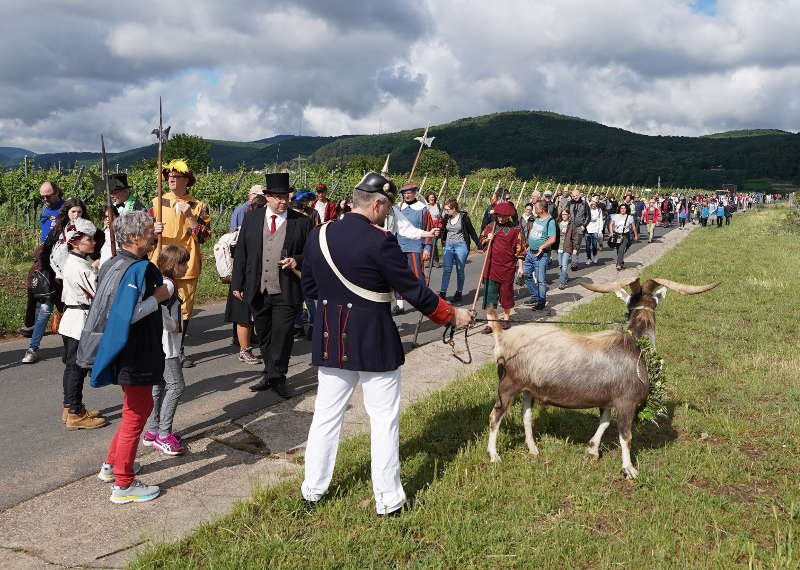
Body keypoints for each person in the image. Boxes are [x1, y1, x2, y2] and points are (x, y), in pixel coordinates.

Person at [299, 171, 472, 516]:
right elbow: (414, 290)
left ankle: (312, 491)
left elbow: (310, 288)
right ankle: (389, 500)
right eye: (387, 208)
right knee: (383, 420)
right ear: (377, 203)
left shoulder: (318, 234)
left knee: (326, 416)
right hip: (373, 338)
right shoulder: (381, 241)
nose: (387, 214)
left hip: (332, 337)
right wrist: (451, 315)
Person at [84, 210, 170, 504]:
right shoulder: (139, 269)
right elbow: (127, 315)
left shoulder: (112, 263)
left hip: (124, 349)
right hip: (137, 351)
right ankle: (124, 483)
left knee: (133, 410)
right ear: (134, 237)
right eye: (149, 231)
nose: (154, 235)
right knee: (137, 412)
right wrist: (158, 297)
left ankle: (112, 464)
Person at [231, 173, 314, 398]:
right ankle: (269, 373)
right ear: (267, 196)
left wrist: (297, 259)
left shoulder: (302, 222)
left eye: (286, 196)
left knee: (283, 334)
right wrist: (237, 283)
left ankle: (279, 376)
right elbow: (242, 253)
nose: (283, 201)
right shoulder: (252, 218)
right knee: (265, 334)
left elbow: (312, 253)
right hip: (258, 288)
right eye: (278, 197)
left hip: (287, 289)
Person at [150, 159, 212, 368]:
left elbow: (204, 237)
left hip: (187, 264)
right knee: (157, 306)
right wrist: (152, 230)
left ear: (187, 180)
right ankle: (156, 347)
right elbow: (144, 236)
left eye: (177, 177)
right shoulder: (157, 202)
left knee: (183, 310)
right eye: (169, 176)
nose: (171, 180)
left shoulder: (198, 205)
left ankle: (179, 350)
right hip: (160, 262)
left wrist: (190, 216)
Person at [58, 217, 108, 430]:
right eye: (89, 239)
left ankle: (70, 407)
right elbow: (98, 295)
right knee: (77, 368)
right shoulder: (81, 268)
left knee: (72, 367)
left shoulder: (73, 262)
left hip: (71, 319)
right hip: (79, 321)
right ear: (75, 242)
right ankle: (75, 413)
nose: (94, 242)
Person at [142, 245, 189, 456]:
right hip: (166, 346)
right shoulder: (168, 285)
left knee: (159, 387)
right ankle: (163, 434)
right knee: (177, 386)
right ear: (173, 265)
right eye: (183, 263)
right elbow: (156, 308)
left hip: (158, 345)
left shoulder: (164, 282)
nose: (186, 266)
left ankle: (152, 431)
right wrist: (173, 325)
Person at [18, 181, 65, 339]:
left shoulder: (67, 208)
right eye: (42, 197)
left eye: (48, 196)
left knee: (58, 287)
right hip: (45, 250)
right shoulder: (44, 209)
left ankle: (67, 321)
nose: (44, 199)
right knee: (34, 283)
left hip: (60, 252)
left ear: (57, 192)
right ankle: (31, 324)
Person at [225, 195, 265, 364]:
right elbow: (240, 257)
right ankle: (244, 350)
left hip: (257, 277)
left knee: (252, 317)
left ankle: (251, 346)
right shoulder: (247, 227)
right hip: (245, 278)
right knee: (244, 317)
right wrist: (238, 283)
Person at [479, 202, 524, 331]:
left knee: (506, 296)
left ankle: (505, 320)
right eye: (499, 216)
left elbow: (520, 250)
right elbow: (481, 242)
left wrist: (520, 267)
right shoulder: (490, 227)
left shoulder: (515, 230)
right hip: (491, 267)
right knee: (489, 296)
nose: (500, 218)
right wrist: (487, 239)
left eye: (503, 216)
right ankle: (490, 323)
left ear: (508, 216)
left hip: (507, 268)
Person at [392, 183, 433, 315]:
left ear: (415, 193)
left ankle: (424, 300)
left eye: (409, 193)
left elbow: (428, 229)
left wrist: (427, 247)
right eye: (404, 193)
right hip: (398, 247)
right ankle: (399, 304)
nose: (406, 195)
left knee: (418, 275)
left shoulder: (423, 209)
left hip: (415, 247)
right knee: (398, 276)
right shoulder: (397, 208)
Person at [438, 198, 480, 303]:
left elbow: (472, 231)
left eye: (448, 209)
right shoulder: (446, 218)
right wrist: (437, 235)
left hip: (461, 246)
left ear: (454, 209)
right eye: (445, 209)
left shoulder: (464, 217)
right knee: (447, 270)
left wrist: (479, 245)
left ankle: (459, 292)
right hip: (448, 245)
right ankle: (442, 293)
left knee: (460, 270)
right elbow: (442, 230)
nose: (446, 211)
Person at [523, 200, 556, 310]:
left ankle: (541, 302)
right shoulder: (537, 219)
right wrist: (529, 246)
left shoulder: (550, 221)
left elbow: (552, 239)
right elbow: (534, 233)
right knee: (525, 275)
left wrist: (542, 247)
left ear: (541, 209)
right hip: (530, 253)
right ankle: (535, 296)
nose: (534, 210)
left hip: (541, 255)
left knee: (540, 280)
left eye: (536, 208)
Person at [609, 203, 638, 270]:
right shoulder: (615, 216)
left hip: (625, 235)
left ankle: (618, 264)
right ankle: (621, 262)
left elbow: (633, 227)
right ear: (619, 209)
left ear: (626, 209)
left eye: (624, 208)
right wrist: (611, 232)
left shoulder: (630, 217)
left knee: (622, 249)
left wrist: (636, 235)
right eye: (621, 208)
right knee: (618, 250)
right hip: (617, 235)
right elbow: (610, 224)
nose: (623, 209)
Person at [555, 210, 578, 289]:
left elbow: (575, 237)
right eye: (562, 214)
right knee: (560, 265)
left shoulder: (572, 225)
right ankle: (565, 276)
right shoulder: (558, 224)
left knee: (564, 265)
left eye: (565, 214)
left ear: (568, 215)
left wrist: (575, 248)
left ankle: (562, 283)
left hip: (567, 247)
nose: (564, 215)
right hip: (559, 247)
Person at [566, 189, 588, 270]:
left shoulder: (584, 204)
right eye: (573, 196)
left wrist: (584, 225)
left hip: (579, 226)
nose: (575, 197)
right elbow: (565, 212)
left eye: (576, 195)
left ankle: (574, 263)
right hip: (570, 226)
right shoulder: (569, 203)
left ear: (580, 195)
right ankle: (569, 259)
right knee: (569, 244)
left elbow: (588, 216)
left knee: (577, 244)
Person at [425, 193, 443, 268]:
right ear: (428, 199)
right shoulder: (426, 207)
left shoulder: (439, 206)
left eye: (433, 197)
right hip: (429, 226)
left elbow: (444, 215)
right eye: (430, 198)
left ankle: (435, 260)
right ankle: (431, 261)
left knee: (433, 242)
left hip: (437, 226)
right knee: (430, 243)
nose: (432, 199)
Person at [585, 197, 604, 263]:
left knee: (594, 245)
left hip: (595, 228)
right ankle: (588, 258)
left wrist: (600, 230)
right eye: (592, 202)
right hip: (587, 228)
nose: (593, 204)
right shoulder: (587, 209)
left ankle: (595, 256)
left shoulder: (599, 210)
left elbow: (601, 220)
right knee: (587, 246)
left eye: (595, 203)